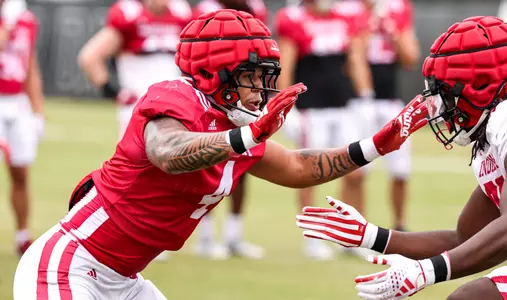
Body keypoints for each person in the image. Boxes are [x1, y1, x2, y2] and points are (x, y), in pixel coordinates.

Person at [13, 10, 427, 299]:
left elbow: (300, 166)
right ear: (218, 73)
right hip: (68, 266)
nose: (262, 90)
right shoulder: (175, 95)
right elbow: (169, 152)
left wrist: (377, 145)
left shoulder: (235, 128)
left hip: (123, 279)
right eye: (253, 77)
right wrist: (245, 137)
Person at [296, 15, 507, 300]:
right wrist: (372, 236)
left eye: (447, 93)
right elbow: (466, 239)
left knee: (476, 297)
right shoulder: (495, 135)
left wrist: (427, 272)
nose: (443, 107)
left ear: (482, 85)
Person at [274, 0, 374, 260]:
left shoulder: (346, 16)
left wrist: (365, 96)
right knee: (308, 172)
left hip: (343, 105)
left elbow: (355, 59)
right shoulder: (294, 19)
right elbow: (286, 63)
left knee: (356, 171)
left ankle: (351, 237)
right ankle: (312, 238)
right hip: (311, 109)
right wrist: (288, 106)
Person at [190, 0, 269, 260]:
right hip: (213, 89)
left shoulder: (255, 7)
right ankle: (205, 236)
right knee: (209, 162)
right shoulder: (206, 9)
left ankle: (234, 236)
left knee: (243, 162)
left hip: (242, 90)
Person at [347, 0, 420, 237]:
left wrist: (391, 30)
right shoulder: (349, 9)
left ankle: (400, 225)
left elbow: (410, 57)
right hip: (358, 101)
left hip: (390, 100)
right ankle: (355, 228)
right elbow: (351, 56)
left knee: (401, 169)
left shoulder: (398, 8)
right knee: (356, 170)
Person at [78, 0, 192, 139]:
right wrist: (114, 92)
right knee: (136, 156)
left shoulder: (180, 11)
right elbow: (90, 57)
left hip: (175, 104)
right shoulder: (130, 13)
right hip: (139, 105)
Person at [0, 0, 45, 256]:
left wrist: (38, 109)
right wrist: (7, 22)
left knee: (20, 170)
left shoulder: (25, 17)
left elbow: (29, 65)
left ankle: (22, 234)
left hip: (17, 102)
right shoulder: (11, 17)